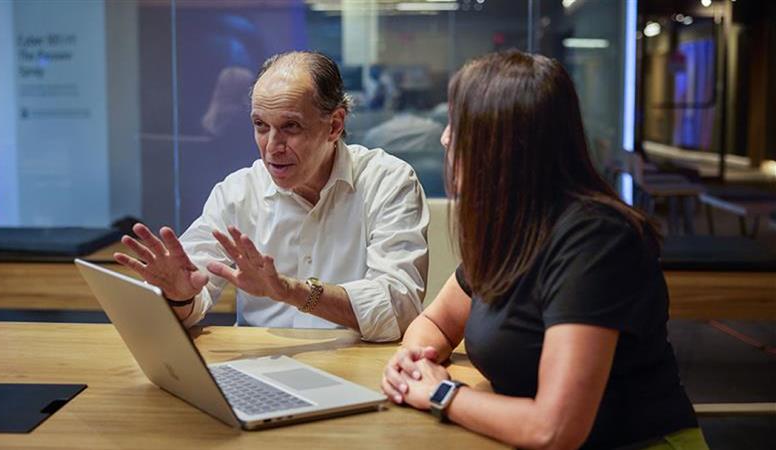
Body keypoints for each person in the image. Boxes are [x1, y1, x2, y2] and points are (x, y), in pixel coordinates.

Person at [381, 50, 708, 449]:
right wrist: (415, 363)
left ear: (499, 143)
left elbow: (554, 430)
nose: (444, 137)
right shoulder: (511, 224)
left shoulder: (597, 240)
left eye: (457, 124)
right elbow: (437, 323)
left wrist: (443, 395)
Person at [114, 51, 429, 342]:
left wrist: (292, 292)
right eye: (261, 126)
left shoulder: (387, 181)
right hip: (257, 364)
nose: (272, 147)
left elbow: (398, 309)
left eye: (291, 127)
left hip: (358, 365)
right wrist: (179, 297)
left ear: (334, 125)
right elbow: (188, 300)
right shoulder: (237, 193)